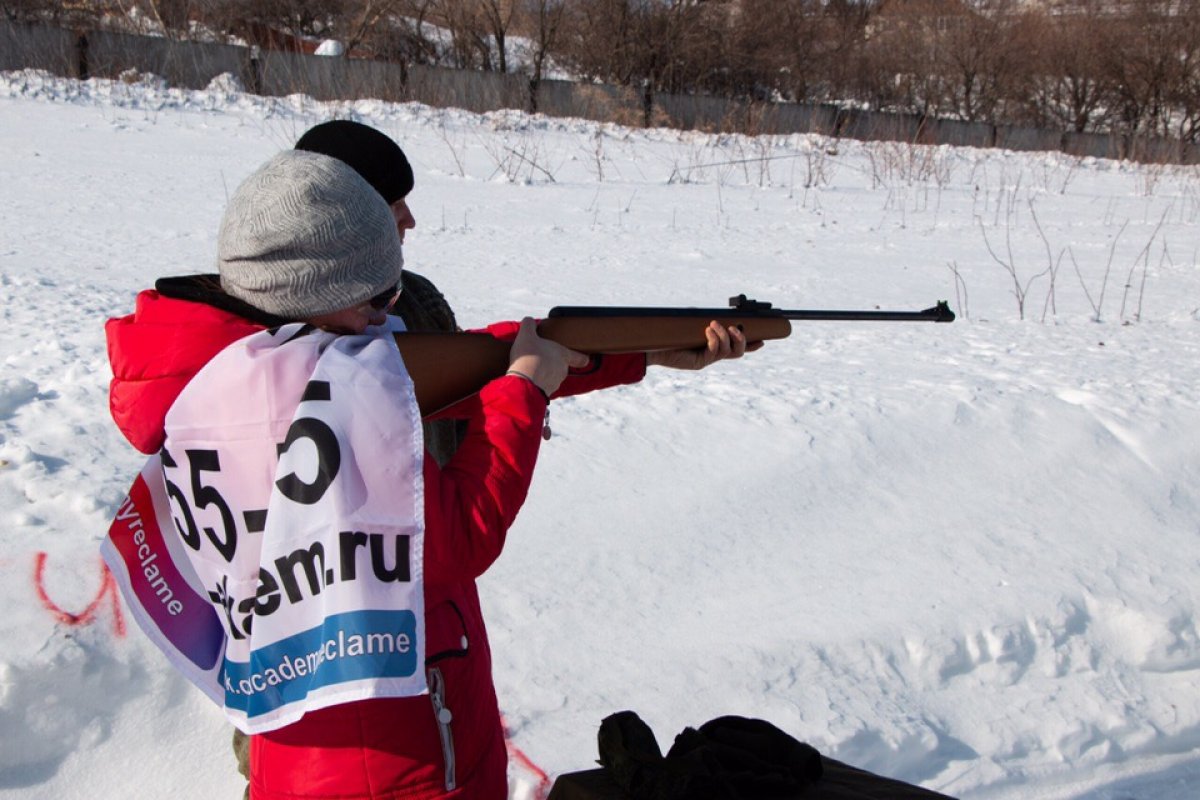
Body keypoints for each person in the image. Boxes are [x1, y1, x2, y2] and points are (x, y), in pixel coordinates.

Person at [105, 149, 752, 800]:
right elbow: (460, 535)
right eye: (378, 296)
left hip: (314, 746)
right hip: (394, 761)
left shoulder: (235, 375)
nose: (388, 314)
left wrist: (642, 352)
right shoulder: (313, 400)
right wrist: (524, 390)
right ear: (317, 292)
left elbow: (458, 363)